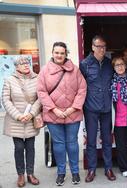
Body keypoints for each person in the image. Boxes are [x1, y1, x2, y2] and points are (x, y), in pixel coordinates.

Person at [37, 42, 87, 186]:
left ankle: (75, 172)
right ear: (52, 53)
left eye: (62, 53)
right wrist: (54, 109)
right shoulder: (45, 70)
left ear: (66, 54)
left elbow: (82, 89)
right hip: (53, 114)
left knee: (72, 143)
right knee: (58, 144)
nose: (59, 55)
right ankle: (61, 172)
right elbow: (41, 92)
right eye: (56, 52)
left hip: (73, 113)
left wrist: (73, 108)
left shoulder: (75, 70)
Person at [79, 35, 116, 182]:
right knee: (91, 141)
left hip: (106, 108)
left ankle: (108, 168)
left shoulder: (109, 63)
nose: (102, 49)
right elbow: (80, 87)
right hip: (91, 108)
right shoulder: (85, 64)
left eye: (104, 46)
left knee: (107, 140)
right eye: (99, 46)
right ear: (93, 47)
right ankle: (91, 170)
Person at [2, 56, 41, 187]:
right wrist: (18, 116)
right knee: (19, 148)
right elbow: (6, 100)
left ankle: (30, 173)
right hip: (16, 121)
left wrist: (31, 113)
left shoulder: (36, 79)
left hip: (30, 119)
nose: (25, 65)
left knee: (31, 147)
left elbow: (39, 98)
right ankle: (20, 175)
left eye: (27, 63)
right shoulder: (9, 80)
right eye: (22, 64)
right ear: (16, 67)